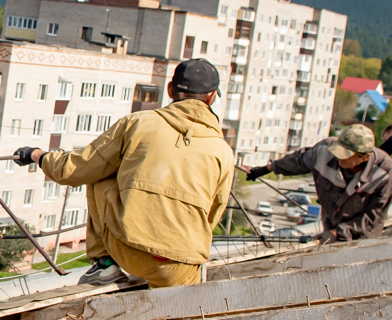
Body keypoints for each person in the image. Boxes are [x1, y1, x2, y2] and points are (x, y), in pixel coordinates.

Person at [13, 58, 235, 288]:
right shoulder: (223, 151)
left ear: (170, 90)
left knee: (100, 171)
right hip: (181, 264)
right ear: (211, 98)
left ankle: (105, 265)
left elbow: (77, 169)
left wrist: (37, 155)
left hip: (130, 250)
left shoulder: (138, 123)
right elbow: (213, 214)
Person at [246, 125, 392, 243]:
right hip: (330, 225)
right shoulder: (325, 151)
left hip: (363, 238)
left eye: (346, 155)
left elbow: (373, 217)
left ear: (364, 157)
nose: (338, 157)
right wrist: (266, 169)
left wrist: (337, 233)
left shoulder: (385, 173)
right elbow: (298, 161)